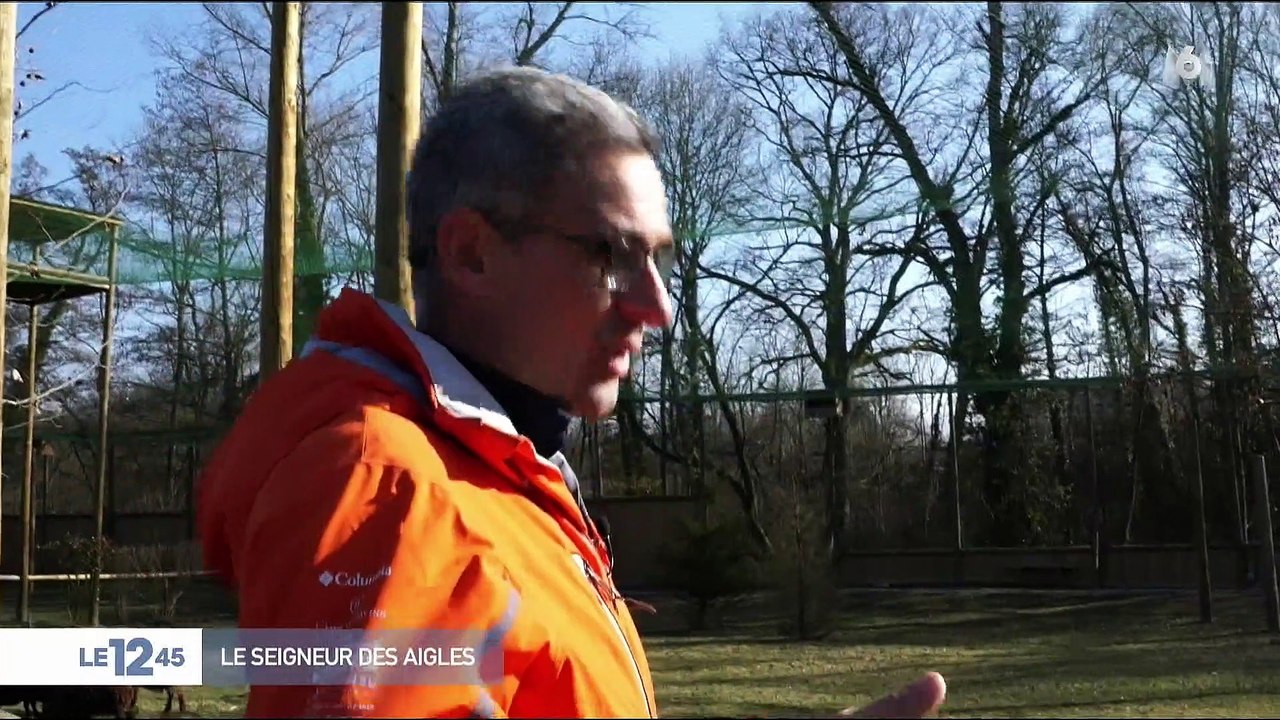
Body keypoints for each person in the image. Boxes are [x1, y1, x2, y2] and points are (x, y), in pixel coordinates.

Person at [197, 65, 947, 719]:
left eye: (658, 262)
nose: (658, 309)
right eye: (611, 255)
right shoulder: (390, 491)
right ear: (471, 252)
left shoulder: (498, 477)